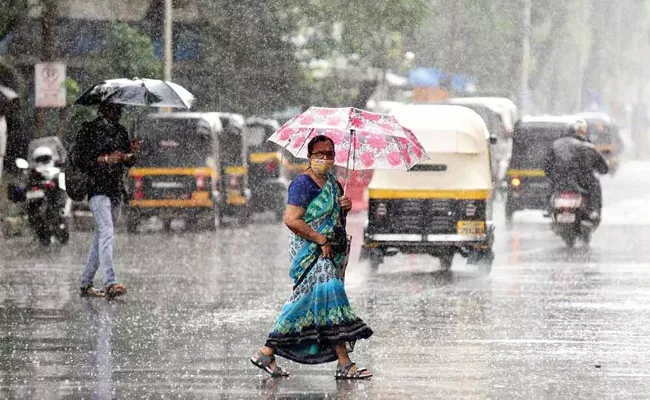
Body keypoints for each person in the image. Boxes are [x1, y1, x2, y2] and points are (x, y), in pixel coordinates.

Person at [250, 135, 373, 380]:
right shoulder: (302, 184)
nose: (324, 158)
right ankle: (344, 363)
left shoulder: (334, 184)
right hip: (310, 253)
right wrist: (320, 240)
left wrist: (343, 207)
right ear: (309, 156)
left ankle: (267, 352)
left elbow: (335, 221)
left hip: (329, 252)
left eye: (329, 154)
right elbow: (291, 220)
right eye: (319, 153)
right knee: (331, 296)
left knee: (311, 302)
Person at [76, 102, 137, 298]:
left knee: (101, 237)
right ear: (103, 109)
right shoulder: (89, 130)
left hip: (115, 189)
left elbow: (128, 160)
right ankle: (110, 282)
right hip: (97, 189)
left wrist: (129, 155)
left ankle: (86, 283)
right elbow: (81, 160)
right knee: (107, 232)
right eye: (113, 108)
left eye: (119, 109)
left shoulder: (121, 131)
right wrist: (105, 159)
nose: (117, 112)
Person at [543, 119, 609, 222]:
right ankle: (594, 210)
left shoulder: (556, 144)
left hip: (560, 179)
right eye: (582, 131)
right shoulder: (586, 146)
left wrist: (554, 174)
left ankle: (547, 208)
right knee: (594, 184)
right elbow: (602, 166)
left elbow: (546, 166)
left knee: (550, 185)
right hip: (579, 180)